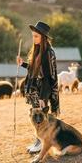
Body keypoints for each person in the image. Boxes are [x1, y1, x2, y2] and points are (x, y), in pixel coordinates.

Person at [16, 21, 60, 153]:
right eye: (33, 36)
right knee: (36, 118)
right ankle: (38, 141)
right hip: (34, 90)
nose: (34, 38)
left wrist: (44, 97)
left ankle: (43, 143)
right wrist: (23, 64)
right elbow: (34, 69)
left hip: (42, 91)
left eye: (36, 36)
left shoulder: (48, 53)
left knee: (43, 118)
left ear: (43, 37)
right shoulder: (37, 50)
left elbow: (50, 77)